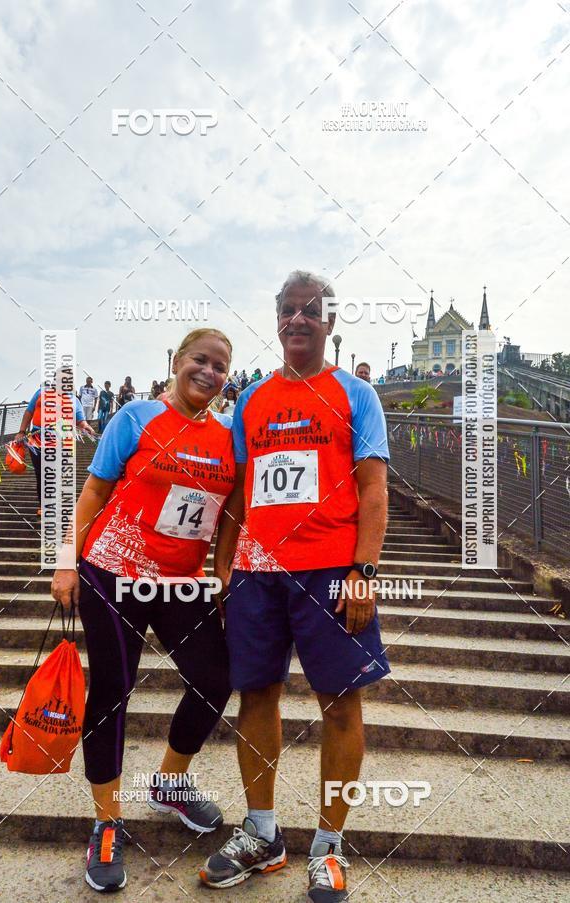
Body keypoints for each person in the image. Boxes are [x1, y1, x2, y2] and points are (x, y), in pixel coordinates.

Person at [200, 271, 390, 901]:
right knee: (255, 697)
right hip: (257, 573)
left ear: (330, 321)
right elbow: (234, 491)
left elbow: (372, 489)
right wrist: (223, 568)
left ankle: (330, 847)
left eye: (311, 311)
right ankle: (261, 833)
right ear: (276, 318)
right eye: (288, 310)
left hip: (332, 572)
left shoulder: (356, 394)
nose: (298, 320)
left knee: (340, 705)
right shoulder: (251, 402)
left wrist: (363, 572)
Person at [51, 328, 236, 894]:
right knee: (114, 686)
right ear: (176, 362)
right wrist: (65, 562)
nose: (209, 372)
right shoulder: (135, 417)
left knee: (215, 677)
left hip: (178, 582)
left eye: (221, 366)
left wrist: (223, 572)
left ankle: (170, 783)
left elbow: (230, 514)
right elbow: (93, 493)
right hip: (111, 571)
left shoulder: (230, 438)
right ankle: (107, 822)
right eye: (200, 361)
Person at [14, 374, 95, 516]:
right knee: (41, 473)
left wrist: (86, 426)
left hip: (61, 440)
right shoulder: (41, 393)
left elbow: (80, 420)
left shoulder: (74, 400)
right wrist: (21, 431)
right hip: (37, 438)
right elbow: (29, 411)